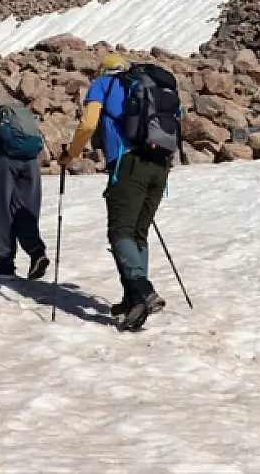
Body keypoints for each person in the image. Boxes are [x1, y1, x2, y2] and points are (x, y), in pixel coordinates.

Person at [59, 52, 175, 332]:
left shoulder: (102, 85)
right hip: (160, 165)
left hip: (127, 165)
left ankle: (142, 291)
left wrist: (70, 154)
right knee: (138, 233)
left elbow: (88, 124)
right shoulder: (153, 85)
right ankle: (132, 299)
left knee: (120, 231)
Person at [0, 92, 50, 279]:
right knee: (25, 210)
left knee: (3, 209)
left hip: (5, 161)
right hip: (30, 162)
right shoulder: (17, 111)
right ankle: (36, 251)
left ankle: (5, 261)